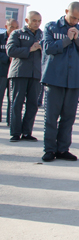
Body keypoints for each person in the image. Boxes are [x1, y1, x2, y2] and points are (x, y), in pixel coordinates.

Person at [40, 2, 79, 162]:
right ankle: (49, 149)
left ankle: (63, 149)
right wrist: (67, 40)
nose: (75, 21)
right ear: (66, 12)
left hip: (74, 80)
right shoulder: (51, 27)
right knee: (51, 117)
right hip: (54, 78)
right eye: (73, 17)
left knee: (69, 117)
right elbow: (48, 48)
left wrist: (77, 41)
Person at [7, 11, 43, 142]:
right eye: (34, 20)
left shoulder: (42, 35)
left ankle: (27, 132)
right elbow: (10, 50)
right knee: (17, 103)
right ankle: (15, 132)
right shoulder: (17, 34)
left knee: (33, 104)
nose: (37, 23)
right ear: (27, 21)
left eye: (39, 20)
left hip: (35, 74)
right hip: (19, 73)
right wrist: (30, 49)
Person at [1, 19, 19, 125]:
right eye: (12, 27)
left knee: (12, 98)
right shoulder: (1, 38)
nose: (14, 29)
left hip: (14, 72)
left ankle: (10, 120)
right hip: (2, 72)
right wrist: (8, 58)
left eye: (16, 27)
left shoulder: (18, 39)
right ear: (6, 26)